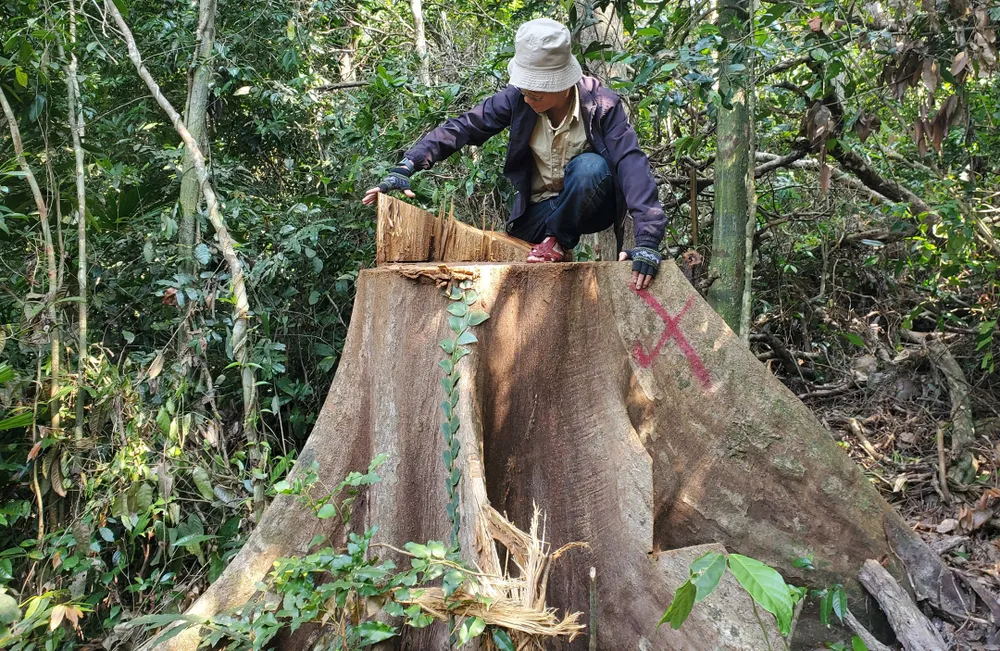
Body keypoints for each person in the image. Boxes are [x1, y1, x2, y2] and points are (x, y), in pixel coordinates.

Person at [363, 18, 668, 289]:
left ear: (563, 84)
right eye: (524, 90)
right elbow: (464, 127)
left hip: (590, 205)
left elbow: (631, 163)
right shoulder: (518, 99)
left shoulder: (602, 105)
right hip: (538, 213)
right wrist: (408, 164)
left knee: (591, 167)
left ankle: (558, 240)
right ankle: (548, 241)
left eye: (536, 93)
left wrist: (648, 240)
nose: (527, 98)